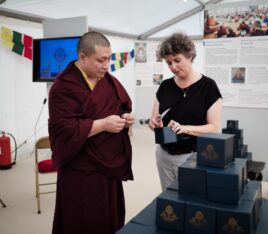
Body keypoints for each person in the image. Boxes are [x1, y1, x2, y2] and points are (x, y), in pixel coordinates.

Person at [48, 31, 134, 234]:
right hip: (80, 168)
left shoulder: (108, 81)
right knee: (82, 219)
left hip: (108, 164)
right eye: (101, 60)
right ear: (83, 57)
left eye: (109, 59)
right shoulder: (62, 88)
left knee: (109, 218)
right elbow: (62, 130)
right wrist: (102, 124)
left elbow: (123, 107)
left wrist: (127, 119)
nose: (106, 65)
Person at [149, 33, 222, 191]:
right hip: (163, 154)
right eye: (169, 63)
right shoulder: (165, 86)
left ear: (189, 56)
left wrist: (185, 128)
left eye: (177, 60)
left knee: (191, 204)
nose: (173, 67)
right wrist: (154, 123)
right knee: (170, 201)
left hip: (191, 157)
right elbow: (153, 121)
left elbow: (214, 127)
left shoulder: (208, 87)